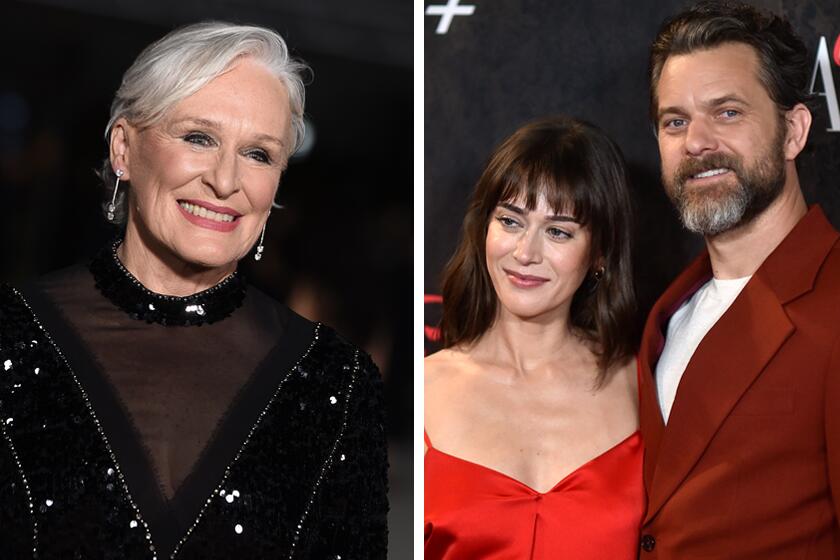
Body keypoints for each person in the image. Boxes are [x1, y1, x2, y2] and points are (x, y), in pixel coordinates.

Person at [0, 22, 387, 559]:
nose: (226, 181)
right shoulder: (12, 338)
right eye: (198, 138)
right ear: (124, 150)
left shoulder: (336, 382)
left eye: (258, 154)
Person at [638, 1, 840, 557]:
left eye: (727, 112)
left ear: (793, 130)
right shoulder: (668, 310)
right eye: (674, 121)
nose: (696, 142)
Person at [424, 116, 644, 559]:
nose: (525, 253)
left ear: (599, 252)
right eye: (510, 221)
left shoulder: (640, 384)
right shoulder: (425, 389)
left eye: (558, 231)